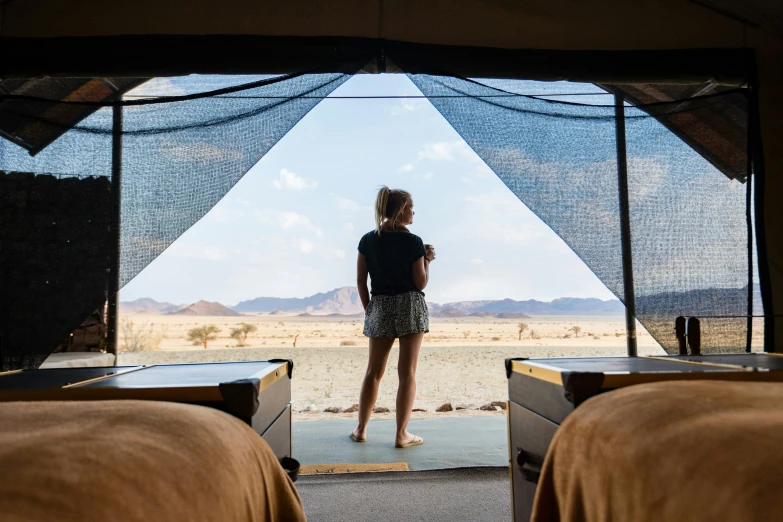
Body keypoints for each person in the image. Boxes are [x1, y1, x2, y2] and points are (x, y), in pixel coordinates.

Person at [350, 186, 436, 448]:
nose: (413, 212)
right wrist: (427, 261)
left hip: (380, 304)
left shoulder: (368, 240)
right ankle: (401, 435)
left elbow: (361, 281)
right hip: (410, 305)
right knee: (407, 373)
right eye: (410, 207)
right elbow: (419, 283)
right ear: (400, 210)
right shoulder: (414, 242)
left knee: (373, 373)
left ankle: (361, 429)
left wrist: (371, 310)